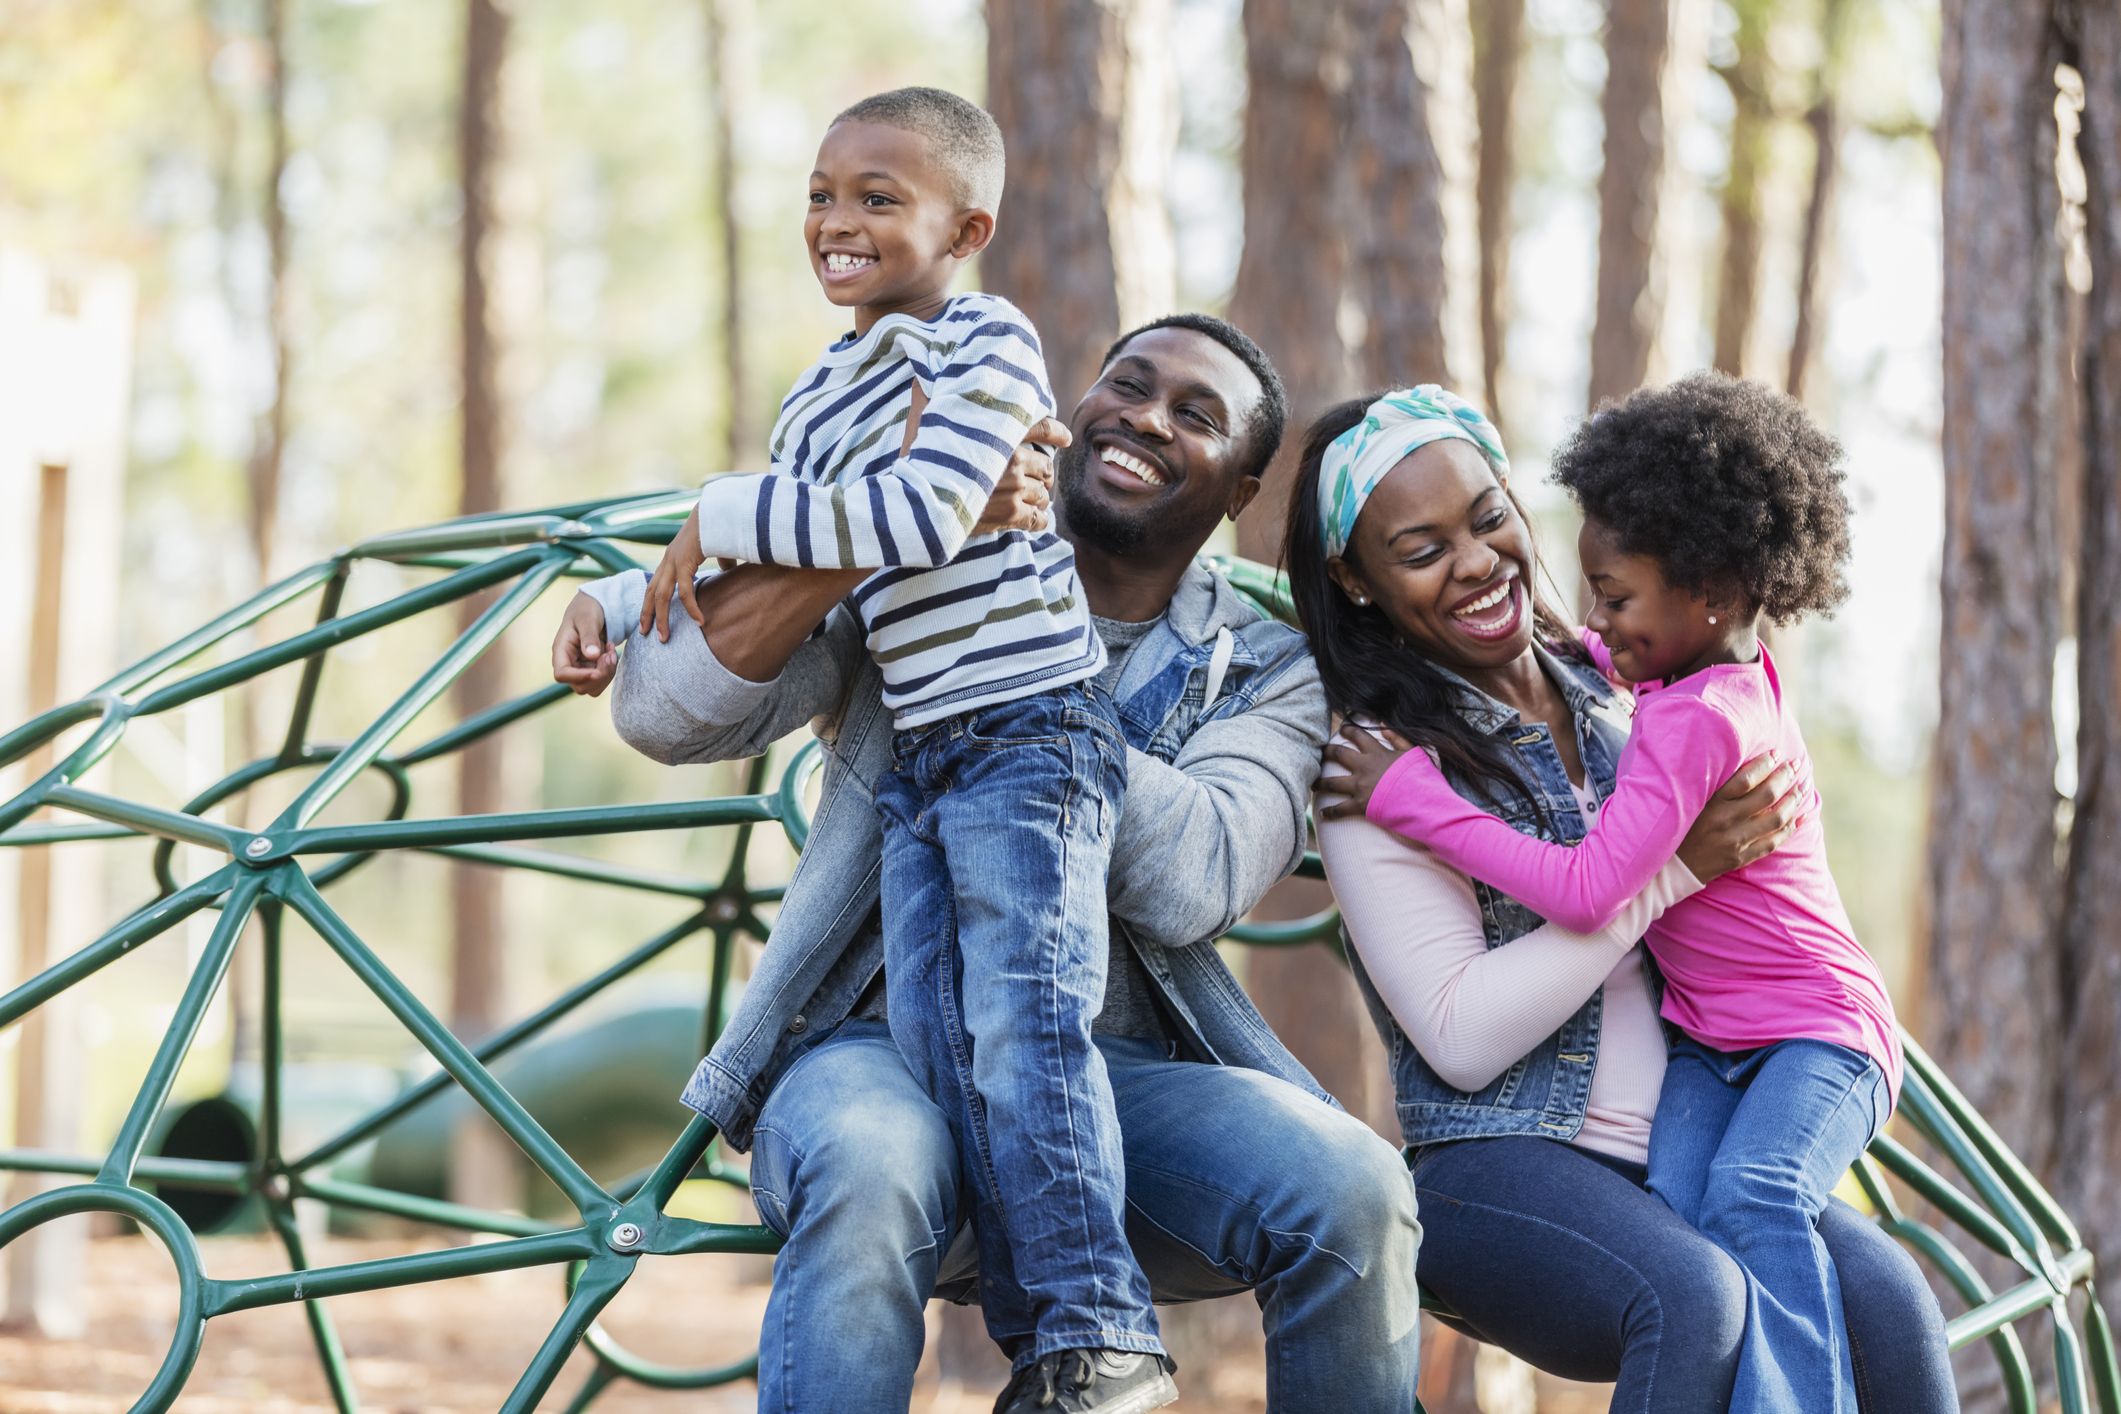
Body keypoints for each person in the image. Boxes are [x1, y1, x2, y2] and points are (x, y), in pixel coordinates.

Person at [551, 314, 1422, 1413]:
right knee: (872, 1166)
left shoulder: (1266, 667)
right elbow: (665, 713)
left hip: (1098, 1078)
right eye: (1128, 384)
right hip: (869, 1050)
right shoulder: (930, 557)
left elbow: (1198, 872)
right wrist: (892, 540)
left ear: (1242, 486)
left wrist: (1017, 670)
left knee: (1354, 1189)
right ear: (1071, 406)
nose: (1146, 418)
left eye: (1194, 416)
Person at [621, 86, 1167, 1407]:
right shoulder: (818, 400)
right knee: (944, 1042)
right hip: (925, 755)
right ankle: (1050, 1344)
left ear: (965, 225)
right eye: (821, 192)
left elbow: (920, 515)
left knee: (1027, 1024)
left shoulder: (981, 342)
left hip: (1030, 736)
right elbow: (781, 541)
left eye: (879, 197)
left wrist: (734, 507)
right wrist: (602, 612)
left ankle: (1100, 1335)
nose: (836, 221)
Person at [1286, 387, 1958, 1413]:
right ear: (1357, 580)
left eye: (1488, 517)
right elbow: (1462, 1036)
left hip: (1686, 1125)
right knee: (1698, 1298)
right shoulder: (1381, 765)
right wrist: (1675, 873)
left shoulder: (1619, 688)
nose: (1475, 561)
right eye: (1421, 549)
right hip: (1504, 1160)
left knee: (1890, 1300)